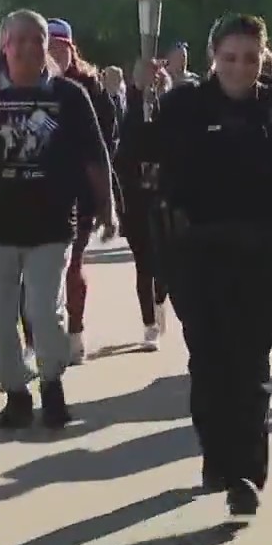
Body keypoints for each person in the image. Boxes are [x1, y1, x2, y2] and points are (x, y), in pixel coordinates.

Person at [139, 14, 272, 516]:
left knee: (250, 361)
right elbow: (141, 154)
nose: (240, 68)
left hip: (265, 254)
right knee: (208, 362)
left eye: (250, 58)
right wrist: (137, 101)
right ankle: (217, 454)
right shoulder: (183, 105)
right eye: (230, 58)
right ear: (214, 57)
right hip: (197, 253)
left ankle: (246, 475)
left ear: (264, 58)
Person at [0, 9, 116, 430]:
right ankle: (15, 392)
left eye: (37, 40)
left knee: (44, 311)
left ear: (47, 46)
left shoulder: (69, 96)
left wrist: (108, 207)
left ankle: (52, 384)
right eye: (19, 39)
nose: (28, 47)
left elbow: (95, 156)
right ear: (4, 45)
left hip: (51, 226)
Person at [46, 18, 120, 363]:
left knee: (72, 263)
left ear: (71, 49)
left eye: (60, 46)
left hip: (79, 191)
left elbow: (105, 140)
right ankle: (39, 338)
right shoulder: (26, 82)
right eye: (48, 46)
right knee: (37, 272)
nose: (53, 52)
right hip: (37, 190)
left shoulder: (88, 85)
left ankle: (75, 332)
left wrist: (106, 201)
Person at [112, 58, 173, 349]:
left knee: (164, 265)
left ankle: (160, 302)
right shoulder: (133, 114)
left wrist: (163, 93)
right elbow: (124, 148)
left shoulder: (173, 112)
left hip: (167, 199)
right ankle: (149, 324)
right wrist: (137, 90)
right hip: (136, 199)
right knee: (144, 263)